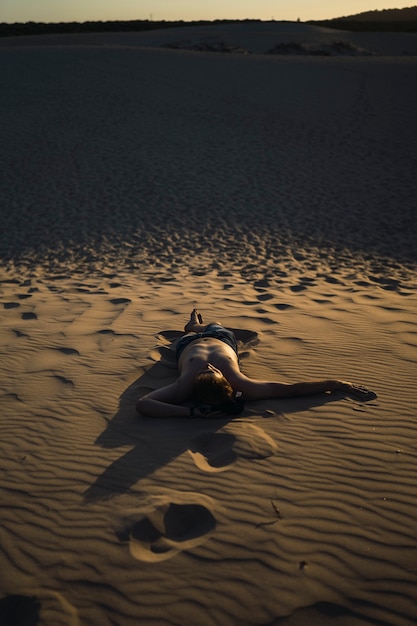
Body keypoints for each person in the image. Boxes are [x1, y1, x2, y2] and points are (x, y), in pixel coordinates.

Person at [136, 309, 375, 418]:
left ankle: (193, 327)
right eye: (212, 371)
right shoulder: (241, 384)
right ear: (226, 382)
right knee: (216, 324)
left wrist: (191, 412)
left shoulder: (185, 384)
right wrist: (337, 383)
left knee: (192, 331)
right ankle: (197, 325)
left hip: (187, 346)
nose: (207, 367)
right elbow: (292, 389)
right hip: (222, 339)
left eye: (205, 371)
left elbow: (144, 403)